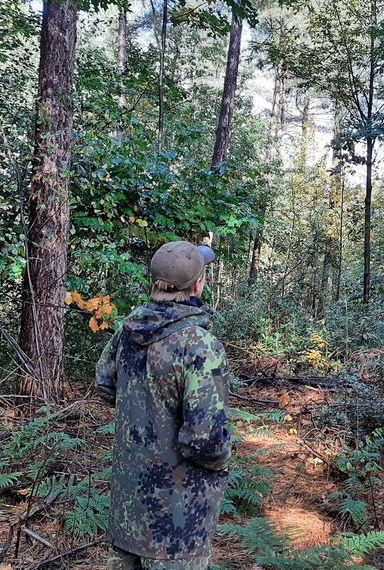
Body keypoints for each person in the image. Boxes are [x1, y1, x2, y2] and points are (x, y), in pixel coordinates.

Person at [96, 241, 232, 570]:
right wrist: (223, 462)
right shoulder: (199, 346)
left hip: (128, 513)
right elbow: (208, 442)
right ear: (198, 285)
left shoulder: (127, 331)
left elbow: (104, 383)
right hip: (177, 525)